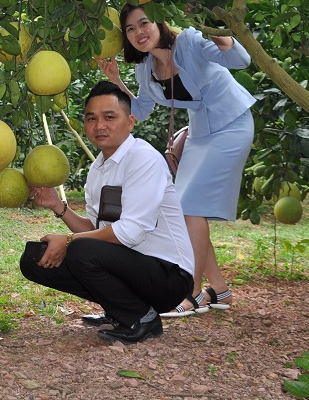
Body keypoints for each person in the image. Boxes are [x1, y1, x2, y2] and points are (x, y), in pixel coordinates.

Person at [98, 4, 255, 317]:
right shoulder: (145, 68)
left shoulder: (191, 41)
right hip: (200, 133)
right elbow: (139, 111)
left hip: (232, 124)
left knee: (191, 209)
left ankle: (191, 293)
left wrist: (216, 31)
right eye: (130, 29)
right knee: (184, 210)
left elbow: (241, 60)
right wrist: (115, 79)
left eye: (144, 23)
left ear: (159, 22)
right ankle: (220, 291)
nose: (138, 32)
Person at [20, 81, 196, 345]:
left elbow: (131, 232)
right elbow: (94, 228)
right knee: (33, 259)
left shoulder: (143, 159)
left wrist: (67, 242)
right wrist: (58, 206)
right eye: (92, 118)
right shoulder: (98, 169)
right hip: (130, 265)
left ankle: (141, 317)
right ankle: (119, 308)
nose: (99, 125)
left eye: (109, 117)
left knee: (82, 251)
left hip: (168, 275)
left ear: (130, 122)